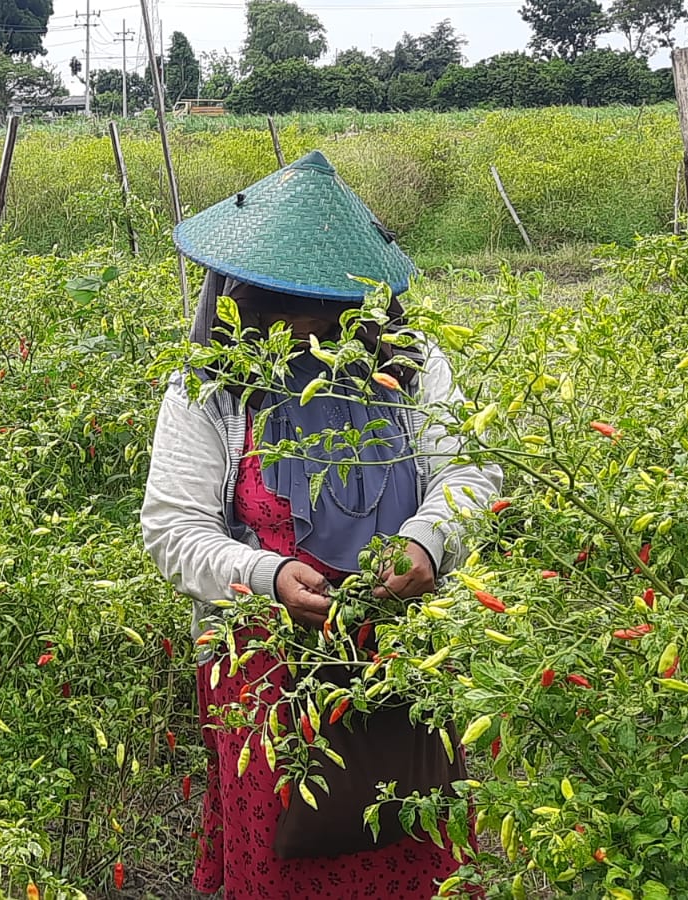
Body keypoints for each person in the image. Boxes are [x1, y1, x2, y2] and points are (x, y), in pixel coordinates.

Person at [140, 151, 502, 898]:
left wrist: (425, 540)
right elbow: (173, 528)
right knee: (285, 859)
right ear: (241, 298)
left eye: (327, 306)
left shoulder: (413, 369)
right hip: (267, 671)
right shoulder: (210, 391)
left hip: (401, 659)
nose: (307, 326)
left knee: (410, 841)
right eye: (284, 304)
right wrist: (266, 575)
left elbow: (469, 473)